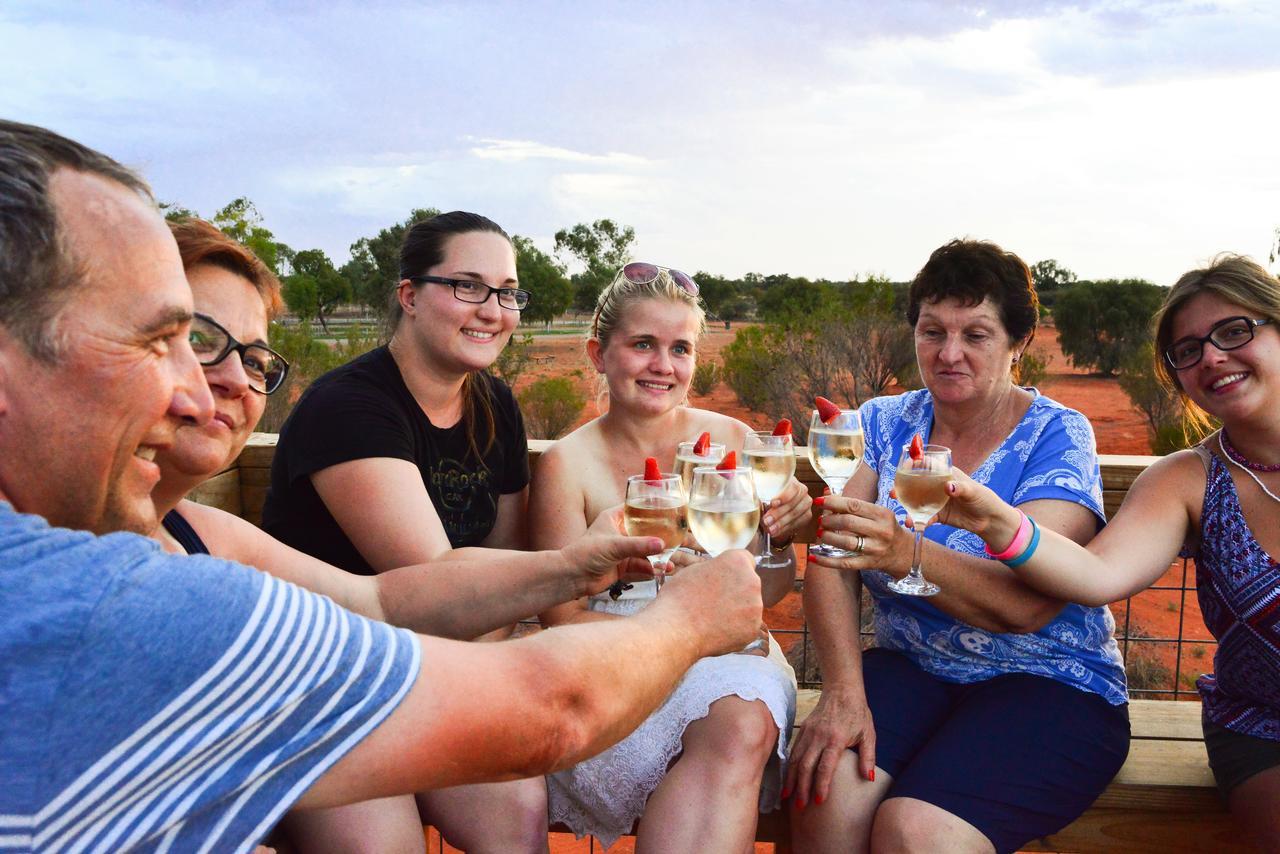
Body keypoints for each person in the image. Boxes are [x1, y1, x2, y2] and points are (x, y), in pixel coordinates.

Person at [0, 120, 763, 852]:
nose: (206, 393)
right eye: (174, 343)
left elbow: (383, 599)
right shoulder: (129, 607)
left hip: (399, 658)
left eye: (256, 360)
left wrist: (572, 564)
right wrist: (685, 623)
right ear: (408, 294)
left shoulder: (202, 542)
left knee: (515, 810)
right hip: (355, 682)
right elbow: (521, 679)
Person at [787, 239, 1129, 854]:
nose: (949, 354)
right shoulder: (885, 422)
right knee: (825, 795)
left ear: (1019, 343)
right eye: (931, 331)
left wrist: (907, 554)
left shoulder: (1058, 434)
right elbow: (832, 556)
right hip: (912, 666)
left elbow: (1027, 607)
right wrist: (841, 690)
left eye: (976, 334)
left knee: (916, 834)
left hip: (1048, 680)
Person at [938, 254, 1280, 848]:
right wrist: (998, 520)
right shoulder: (1187, 480)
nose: (1213, 358)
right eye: (1189, 350)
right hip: (1266, 730)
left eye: (1234, 331)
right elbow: (1097, 573)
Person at [261, 211, 551, 851]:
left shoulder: (495, 403)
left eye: (507, 293)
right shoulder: (349, 407)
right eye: (468, 286)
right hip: (326, 684)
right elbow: (436, 589)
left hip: (440, 676)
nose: (492, 310)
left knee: (517, 814)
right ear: (410, 296)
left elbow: (508, 556)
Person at [529, 263, 811, 851]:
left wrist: (782, 539)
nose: (663, 365)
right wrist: (666, 636)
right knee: (732, 723)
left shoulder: (732, 440)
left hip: (725, 648)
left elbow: (768, 591)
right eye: (642, 345)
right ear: (598, 353)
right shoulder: (565, 464)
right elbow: (560, 619)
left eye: (680, 348)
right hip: (614, 660)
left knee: (741, 718)